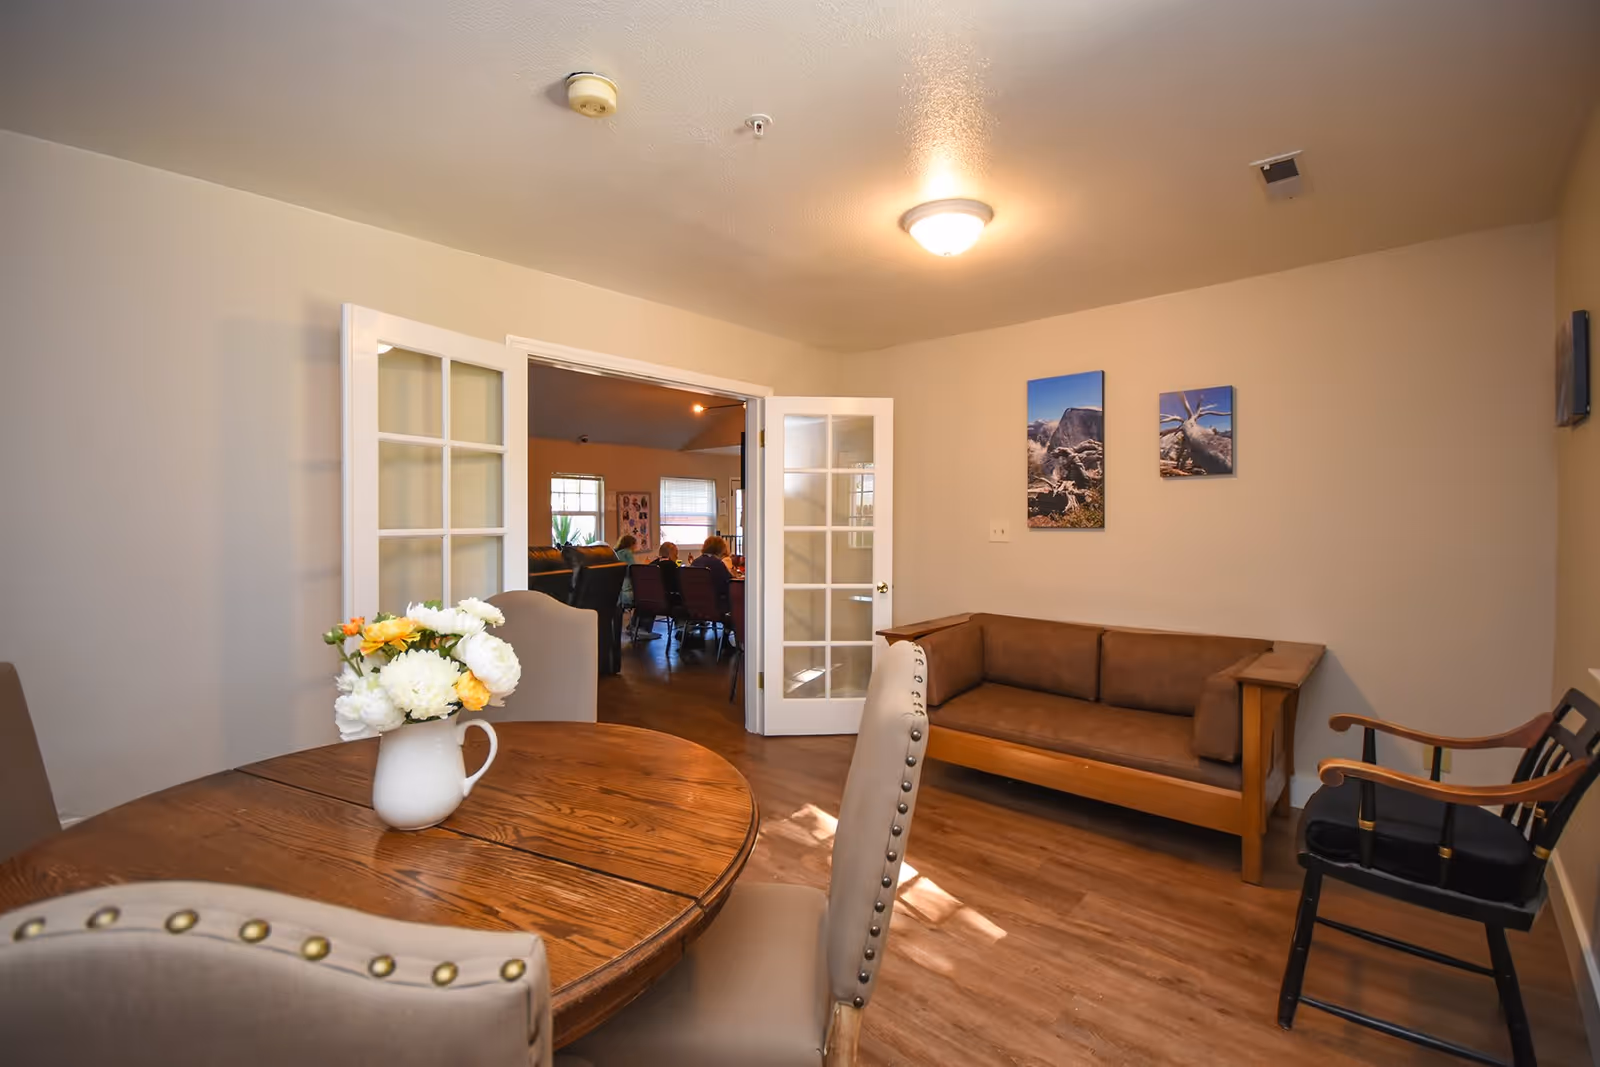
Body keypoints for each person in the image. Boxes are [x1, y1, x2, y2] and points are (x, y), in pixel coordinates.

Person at [690, 535, 734, 611]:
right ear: (720, 549)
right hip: (716, 603)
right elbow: (730, 582)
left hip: (694, 603)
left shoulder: (695, 562)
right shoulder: (718, 563)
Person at [614, 534, 638, 607]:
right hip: (627, 591)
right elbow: (633, 570)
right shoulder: (627, 553)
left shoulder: (616, 553)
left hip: (618, 593)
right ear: (631, 544)